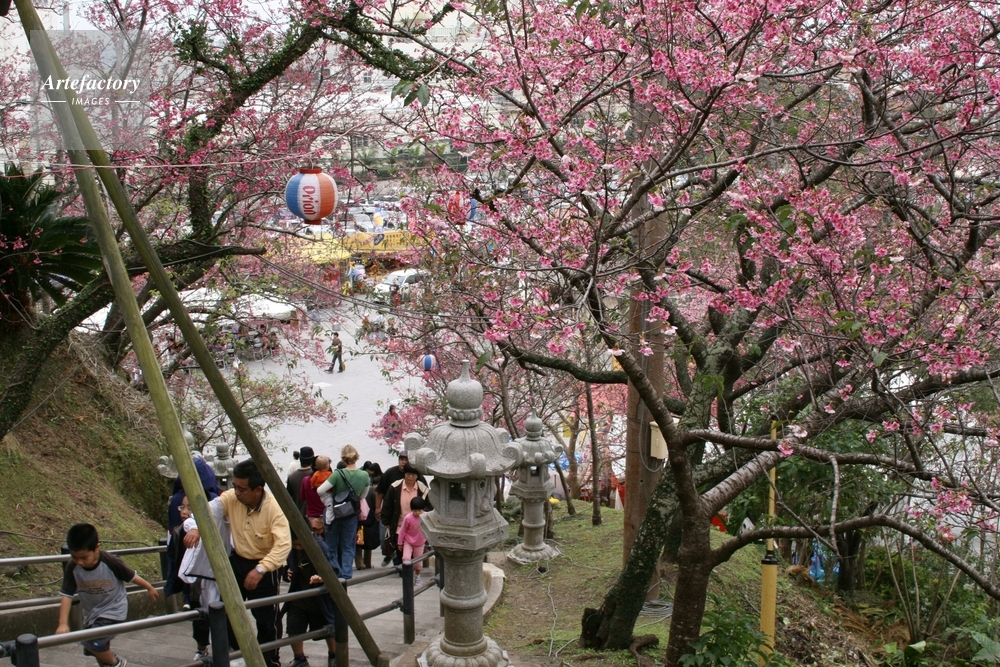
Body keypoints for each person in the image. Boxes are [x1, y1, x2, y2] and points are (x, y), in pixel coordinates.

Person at [184, 459, 291, 667]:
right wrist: (196, 527)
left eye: (242, 489)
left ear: (257, 490)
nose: (237, 492)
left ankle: (269, 661)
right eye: (235, 487)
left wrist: (261, 569)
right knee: (225, 611)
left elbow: (283, 545)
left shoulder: (273, 510)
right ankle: (239, 652)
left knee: (267, 619)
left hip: (264, 566)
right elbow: (208, 509)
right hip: (238, 560)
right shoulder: (232, 498)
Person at [57, 523, 160, 667]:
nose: (79, 562)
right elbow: (66, 595)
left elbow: (131, 576)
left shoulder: (110, 561)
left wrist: (149, 587)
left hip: (114, 609)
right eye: (75, 557)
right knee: (96, 648)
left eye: (84, 557)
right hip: (92, 613)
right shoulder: (72, 567)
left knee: (93, 643)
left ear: (96, 548)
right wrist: (62, 623)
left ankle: (116, 663)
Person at [177, 495, 232, 662]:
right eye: (183, 507)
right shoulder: (186, 529)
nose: (185, 512)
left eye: (189, 508)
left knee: (223, 614)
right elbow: (190, 523)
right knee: (200, 615)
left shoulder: (221, 517)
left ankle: (226, 650)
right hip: (199, 578)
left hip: (220, 576)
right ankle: (202, 648)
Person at [285, 535, 339, 667]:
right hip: (298, 595)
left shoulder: (320, 547)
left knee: (327, 629)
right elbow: (288, 566)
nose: (298, 547)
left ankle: (334, 655)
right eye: (294, 545)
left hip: (319, 598)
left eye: (300, 544)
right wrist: (286, 573)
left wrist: (322, 577)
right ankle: (299, 658)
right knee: (293, 626)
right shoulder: (291, 549)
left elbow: (335, 570)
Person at [317, 445, 369, 580]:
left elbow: (320, 490)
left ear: (343, 458)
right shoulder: (364, 475)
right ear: (356, 456)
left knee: (331, 545)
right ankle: (346, 574)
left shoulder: (337, 474)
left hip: (335, 513)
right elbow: (363, 496)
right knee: (348, 545)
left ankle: (334, 572)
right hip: (351, 514)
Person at [381, 464, 431, 567]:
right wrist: (386, 521)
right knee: (401, 553)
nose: (410, 477)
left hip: (416, 528)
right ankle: (402, 572)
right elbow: (387, 504)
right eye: (408, 474)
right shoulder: (395, 487)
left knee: (415, 556)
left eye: (413, 474)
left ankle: (412, 572)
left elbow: (429, 507)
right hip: (399, 526)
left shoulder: (423, 489)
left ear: (417, 476)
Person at [355, 462, 382, 571]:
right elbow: (375, 505)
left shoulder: (354, 490)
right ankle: (368, 563)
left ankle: (359, 563)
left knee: (357, 541)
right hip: (368, 520)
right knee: (368, 540)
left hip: (356, 519)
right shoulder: (370, 490)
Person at [397, 496, 428, 586]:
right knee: (406, 558)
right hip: (408, 541)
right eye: (415, 510)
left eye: (419, 510)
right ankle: (408, 576)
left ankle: (417, 577)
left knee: (418, 563)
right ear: (412, 509)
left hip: (420, 542)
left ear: (423, 509)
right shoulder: (408, 518)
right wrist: (400, 542)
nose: (417, 513)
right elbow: (402, 531)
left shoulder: (426, 517)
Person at [302, 456, 332, 536]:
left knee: (314, 541)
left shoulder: (306, 480)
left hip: (311, 518)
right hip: (326, 515)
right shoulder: (330, 478)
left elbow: (302, 497)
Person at [287, 447, 316, 518]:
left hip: (298, 517)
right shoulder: (316, 475)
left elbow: (288, 499)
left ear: (300, 459)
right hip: (315, 516)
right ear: (313, 460)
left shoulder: (291, 478)